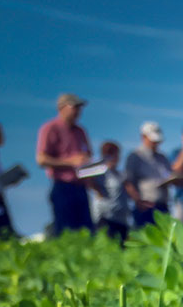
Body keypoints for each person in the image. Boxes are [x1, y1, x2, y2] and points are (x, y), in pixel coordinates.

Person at [37, 93, 93, 236]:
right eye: (74, 107)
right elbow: (41, 159)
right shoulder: (50, 128)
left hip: (81, 187)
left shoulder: (81, 131)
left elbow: (88, 155)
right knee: (66, 232)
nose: (78, 111)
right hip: (63, 186)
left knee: (87, 231)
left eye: (79, 108)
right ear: (62, 107)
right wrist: (71, 162)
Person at [123, 122, 174, 229]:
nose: (156, 144)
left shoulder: (163, 158)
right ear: (143, 137)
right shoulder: (135, 156)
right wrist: (138, 201)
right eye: (153, 141)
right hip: (145, 208)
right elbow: (128, 182)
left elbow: (169, 175)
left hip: (163, 206)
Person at [91, 141, 129, 245]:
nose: (117, 157)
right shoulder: (99, 171)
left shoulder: (120, 174)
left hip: (121, 218)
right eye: (113, 154)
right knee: (107, 246)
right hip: (105, 216)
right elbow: (84, 176)